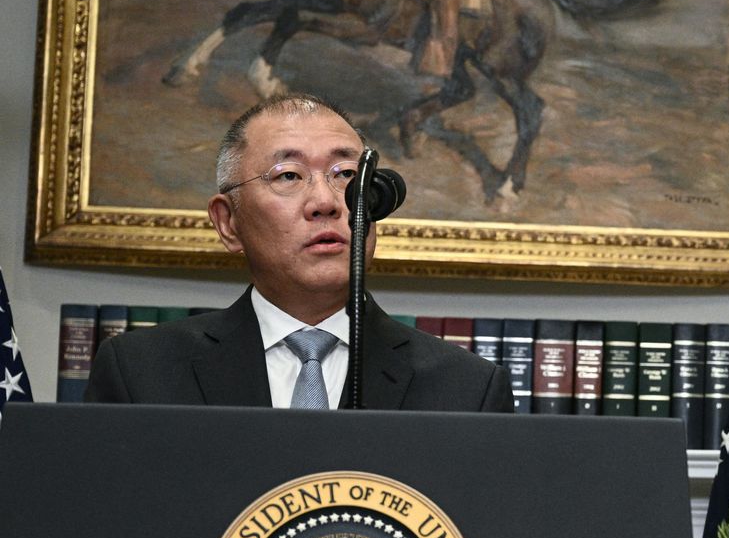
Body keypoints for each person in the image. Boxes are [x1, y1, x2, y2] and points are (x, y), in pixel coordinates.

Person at [86, 94, 511, 412]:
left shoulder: (467, 388)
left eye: (346, 174)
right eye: (288, 175)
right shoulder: (141, 373)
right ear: (228, 222)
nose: (326, 201)